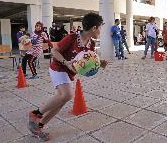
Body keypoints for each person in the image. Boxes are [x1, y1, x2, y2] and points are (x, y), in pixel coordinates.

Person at [27, 13, 107, 141]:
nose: (100, 31)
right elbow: (54, 51)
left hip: (69, 73)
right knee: (67, 95)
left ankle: (39, 126)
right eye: (100, 28)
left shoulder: (91, 44)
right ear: (94, 28)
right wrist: (66, 62)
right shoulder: (72, 38)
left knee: (61, 101)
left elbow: (89, 60)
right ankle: (35, 114)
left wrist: (100, 62)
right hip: (58, 68)